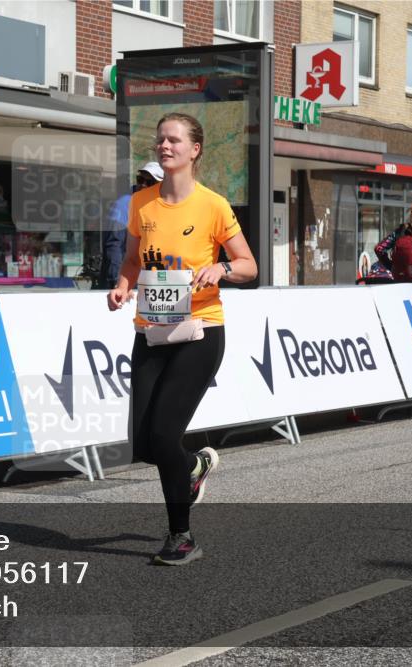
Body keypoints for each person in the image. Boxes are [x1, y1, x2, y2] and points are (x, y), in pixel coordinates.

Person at [107, 113, 258, 566]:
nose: (164, 146)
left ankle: (181, 537)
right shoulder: (142, 203)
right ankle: (193, 467)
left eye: (173, 140)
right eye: (160, 139)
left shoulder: (213, 205)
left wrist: (222, 268)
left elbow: (248, 265)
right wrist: (122, 286)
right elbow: (133, 260)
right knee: (144, 445)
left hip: (200, 331)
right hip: (152, 331)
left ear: (195, 150)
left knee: (164, 432)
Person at [99, 162, 163, 288]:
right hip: (128, 279)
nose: (143, 185)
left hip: (154, 278)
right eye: (140, 180)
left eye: (149, 182)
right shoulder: (125, 203)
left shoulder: (162, 204)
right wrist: (117, 280)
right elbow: (114, 244)